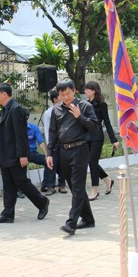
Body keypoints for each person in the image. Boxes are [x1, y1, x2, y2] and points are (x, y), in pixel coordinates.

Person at [0, 83, 49, 223]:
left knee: (21, 182)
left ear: (5, 94)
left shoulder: (16, 109)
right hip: (5, 155)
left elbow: (21, 134)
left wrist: (23, 155)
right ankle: (7, 214)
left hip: (16, 155)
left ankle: (42, 202)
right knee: (8, 184)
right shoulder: (5, 109)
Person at [46, 80, 98, 235]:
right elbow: (53, 133)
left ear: (74, 91)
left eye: (68, 93)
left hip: (80, 149)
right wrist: (49, 153)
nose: (65, 97)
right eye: (62, 94)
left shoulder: (85, 106)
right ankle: (88, 219)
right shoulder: (56, 110)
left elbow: (94, 127)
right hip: (63, 152)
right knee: (76, 187)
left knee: (77, 187)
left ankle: (71, 223)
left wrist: (79, 116)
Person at [83, 81, 119, 200]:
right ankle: (108, 180)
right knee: (91, 162)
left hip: (97, 137)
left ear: (94, 90)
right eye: (85, 89)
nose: (85, 91)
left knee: (92, 162)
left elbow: (107, 123)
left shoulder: (102, 104)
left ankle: (95, 190)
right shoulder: (85, 104)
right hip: (87, 137)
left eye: (88, 89)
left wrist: (114, 140)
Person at [26, 113, 56, 196]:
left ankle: (47, 186)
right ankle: (20, 189)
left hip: (32, 153)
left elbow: (41, 141)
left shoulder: (33, 128)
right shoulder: (15, 129)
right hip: (20, 154)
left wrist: (47, 155)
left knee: (49, 161)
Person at [42, 90, 66, 194]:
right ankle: (50, 186)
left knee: (63, 164)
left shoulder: (65, 109)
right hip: (54, 142)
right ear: (55, 99)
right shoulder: (48, 113)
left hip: (64, 140)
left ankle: (62, 185)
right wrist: (49, 145)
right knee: (52, 164)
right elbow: (47, 129)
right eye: (60, 96)